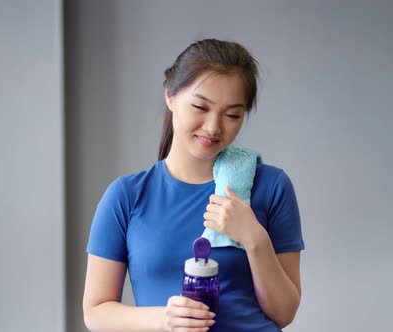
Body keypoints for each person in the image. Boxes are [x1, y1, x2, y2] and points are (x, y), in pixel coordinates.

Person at [83, 39, 305, 332]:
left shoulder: (271, 186)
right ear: (170, 96)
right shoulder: (126, 197)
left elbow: (284, 313)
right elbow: (96, 312)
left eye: (232, 115)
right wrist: (164, 319)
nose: (213, 127)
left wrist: (255, 239)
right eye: (200, 107)